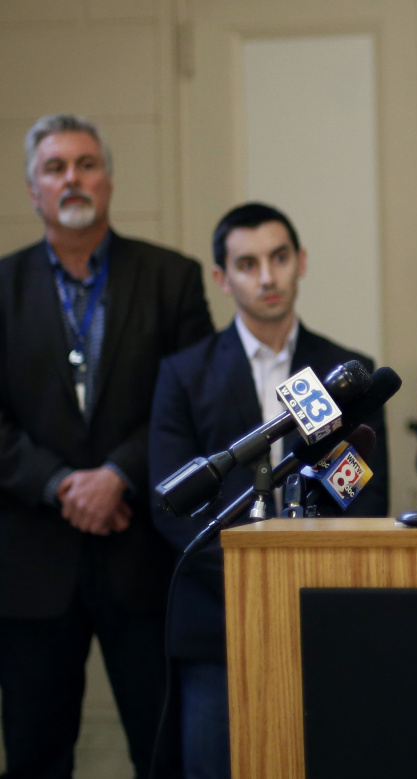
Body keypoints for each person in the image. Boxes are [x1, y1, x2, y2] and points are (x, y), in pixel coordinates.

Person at [0, 113, 214, 778]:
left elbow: (190, 400)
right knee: (35, 755)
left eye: (86, 163)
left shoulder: (170, 277)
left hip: (141, 553)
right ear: (33, 190)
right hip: (33, 561)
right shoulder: (0, 287)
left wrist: (118, 472)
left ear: (109, 180)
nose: (72, 178)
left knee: (162, 752)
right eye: (55, 167)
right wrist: (62, 482)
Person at [148, 201, 390, 779]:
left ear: (300, 262)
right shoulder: (183, 374)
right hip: (216, 626)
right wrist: (255, 578)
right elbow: (174, 511)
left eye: (279, 258)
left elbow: (364, 496)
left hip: (321, 612)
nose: (266, 277)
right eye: (247, 263)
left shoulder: (345, 370)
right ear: (221, 277)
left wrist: (301, 577)